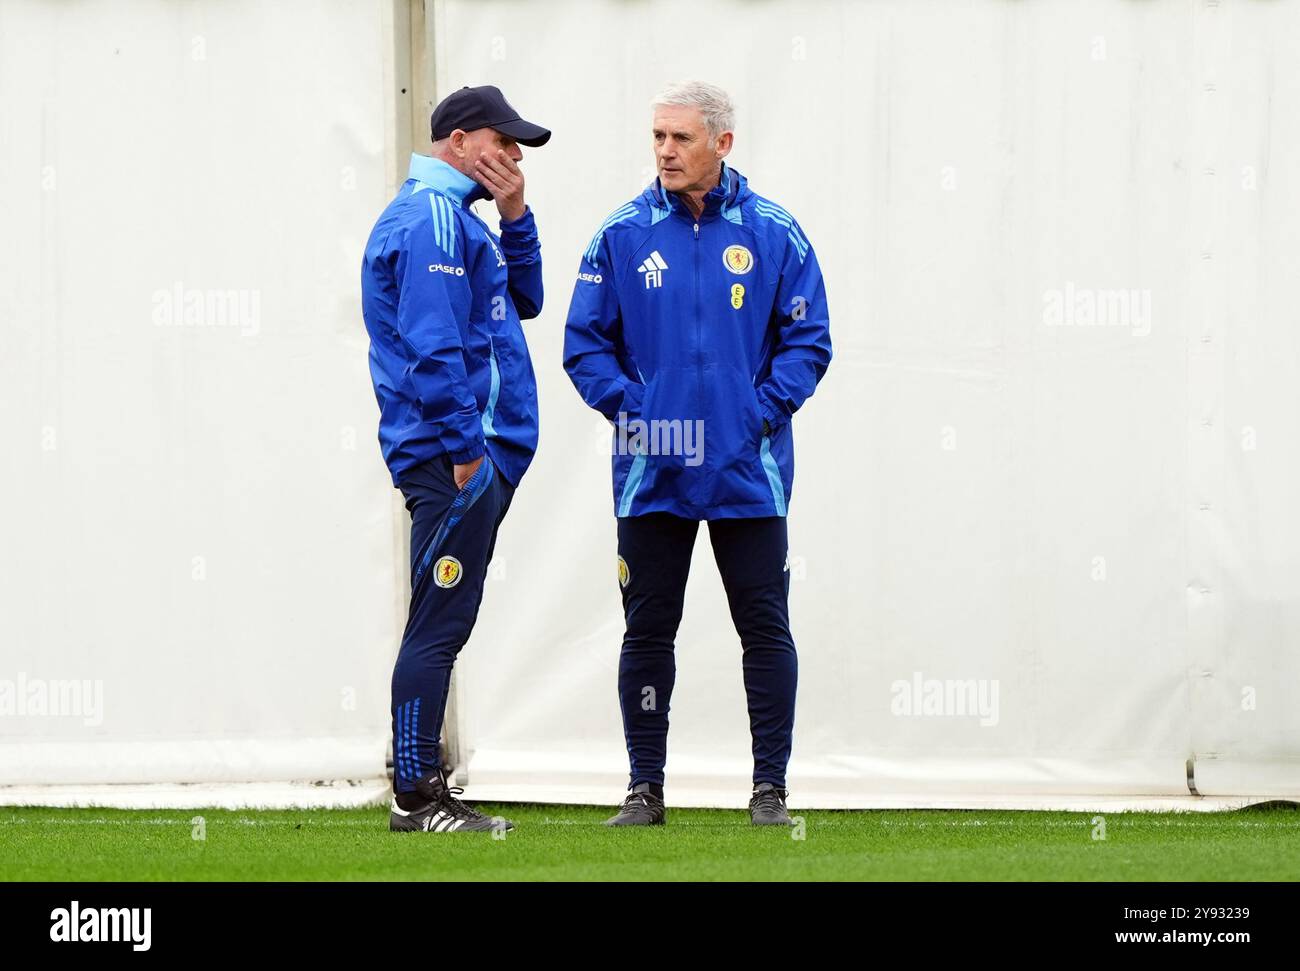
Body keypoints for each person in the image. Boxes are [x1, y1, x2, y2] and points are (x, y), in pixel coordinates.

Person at [563, 81, 832, 826]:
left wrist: (759, 412)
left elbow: (809, 340)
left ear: (723, 143)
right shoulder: (621, 234)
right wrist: (641, 414)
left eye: (681, 138)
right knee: (648, 630)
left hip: (750, 467)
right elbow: (584, 345)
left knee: (764, 625)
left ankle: (769, 787)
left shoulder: (776, 232)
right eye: (657, 137)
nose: (665, 151)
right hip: (655, 465)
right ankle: (644, 788)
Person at [360, 85, 550, 833]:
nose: (512, 156)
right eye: (504, 143)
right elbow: (432, 349)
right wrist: (469, 453)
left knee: (445, 618)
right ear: (461, 140)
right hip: (452, 460)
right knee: (438, 622)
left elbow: (523, 300)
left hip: (465, 456)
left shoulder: (462, 220)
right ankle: (416, 795)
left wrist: (516, 217)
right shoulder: (433, 218)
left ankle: (421, 785)